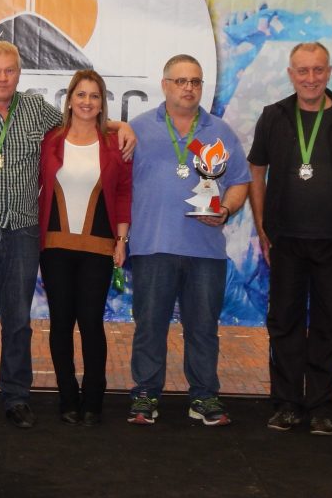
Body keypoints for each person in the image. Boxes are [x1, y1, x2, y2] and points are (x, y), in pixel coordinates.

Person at [0, 41, 134, 428]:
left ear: (19, 73)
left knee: (18, 321)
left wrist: (121, 125)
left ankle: (16, 398)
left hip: (24, 230)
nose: (2, 78)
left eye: (9, 70)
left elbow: (81, 118)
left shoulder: (36, 110)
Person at [247, 42, 332, 436]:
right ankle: (286, 403)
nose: (311, 78)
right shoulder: (275, 116)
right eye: (303, 70)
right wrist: (262, 227)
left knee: (331, 324)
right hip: (286, 241)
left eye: (318, 70)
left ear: (329, 72)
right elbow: (256, 171)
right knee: (284, 322)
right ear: (291, 74)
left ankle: (322, 406)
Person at [126, 54, 249, 427]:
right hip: (152, 246)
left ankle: (204, 396)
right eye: (180, 81)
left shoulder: (220, 132)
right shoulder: (138, 129)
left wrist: (225, 209)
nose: (188, 88)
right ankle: (146, 393)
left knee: (203, 329)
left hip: (205, 250)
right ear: (164, 85)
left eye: (195, 81)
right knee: (150, 326)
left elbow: (240, 182)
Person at [38, 70, 131, 426]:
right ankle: (67, 397)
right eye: (81, 94)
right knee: (61, 322)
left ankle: (93, 398)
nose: (87, 102)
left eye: (94, 96)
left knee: (91, 322)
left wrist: (121, 240)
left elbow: (123, 193)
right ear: (70, 99)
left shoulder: (115, 144)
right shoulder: (51, 139)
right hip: (55, 246)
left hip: (99, 247)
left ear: (102, 103)